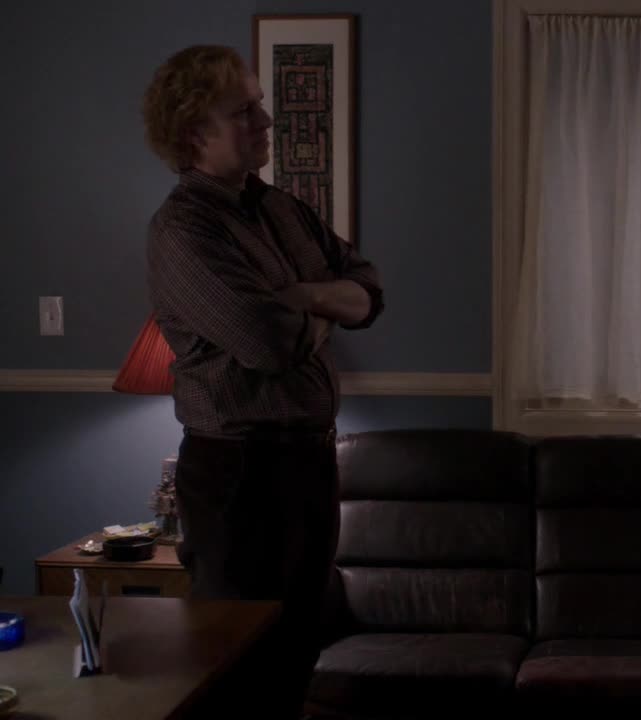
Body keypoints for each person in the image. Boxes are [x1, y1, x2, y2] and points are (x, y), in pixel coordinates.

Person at [141, 45, 384, 717]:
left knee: (298, 652)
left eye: (260, 105)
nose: (266, 121)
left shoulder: (282, 209)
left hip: (308, 461)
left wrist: (302, 297)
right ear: (196, 129)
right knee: (239, 665)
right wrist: (322, 309)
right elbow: (269, 342)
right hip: (239, 474)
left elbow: (369, 290)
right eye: (244, 111)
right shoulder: (183, 229)